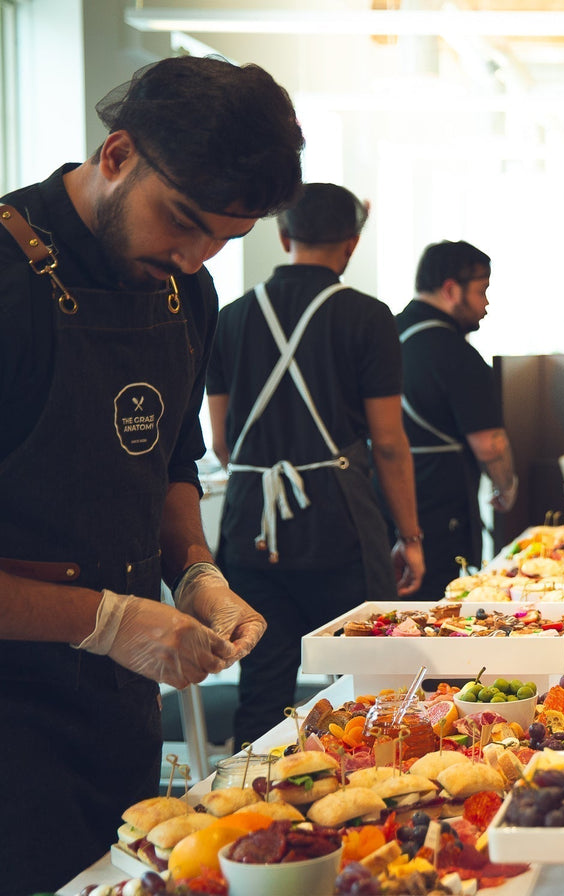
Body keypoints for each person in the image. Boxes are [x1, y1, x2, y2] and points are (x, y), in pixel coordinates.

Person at [0, 56, 299, 893]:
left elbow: (170, 463)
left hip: (119, 713)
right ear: (118, 154)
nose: (197, 257)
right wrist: (103, 620)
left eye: (225, 240)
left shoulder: (183, 292)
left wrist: (196, 571)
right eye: (183, 221)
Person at [207, 183, 425, 748]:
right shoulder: (368, 317)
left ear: (283, 236)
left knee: (261, 680)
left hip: (252, 528)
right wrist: (410, 534)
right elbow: (389, 442)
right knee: (368, 675)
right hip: (341, 523)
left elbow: (224, 444)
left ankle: (250, 804)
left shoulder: (231, 318)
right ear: (351, 245)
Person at [394, 240, 518, 598]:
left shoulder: (383, 333)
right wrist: (506, 487)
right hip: (437, 514)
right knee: (438, 615)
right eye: (482, 291)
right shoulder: (456, 354)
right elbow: (490, 443)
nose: (486, 304)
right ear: (451, 289)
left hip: (377, 508)